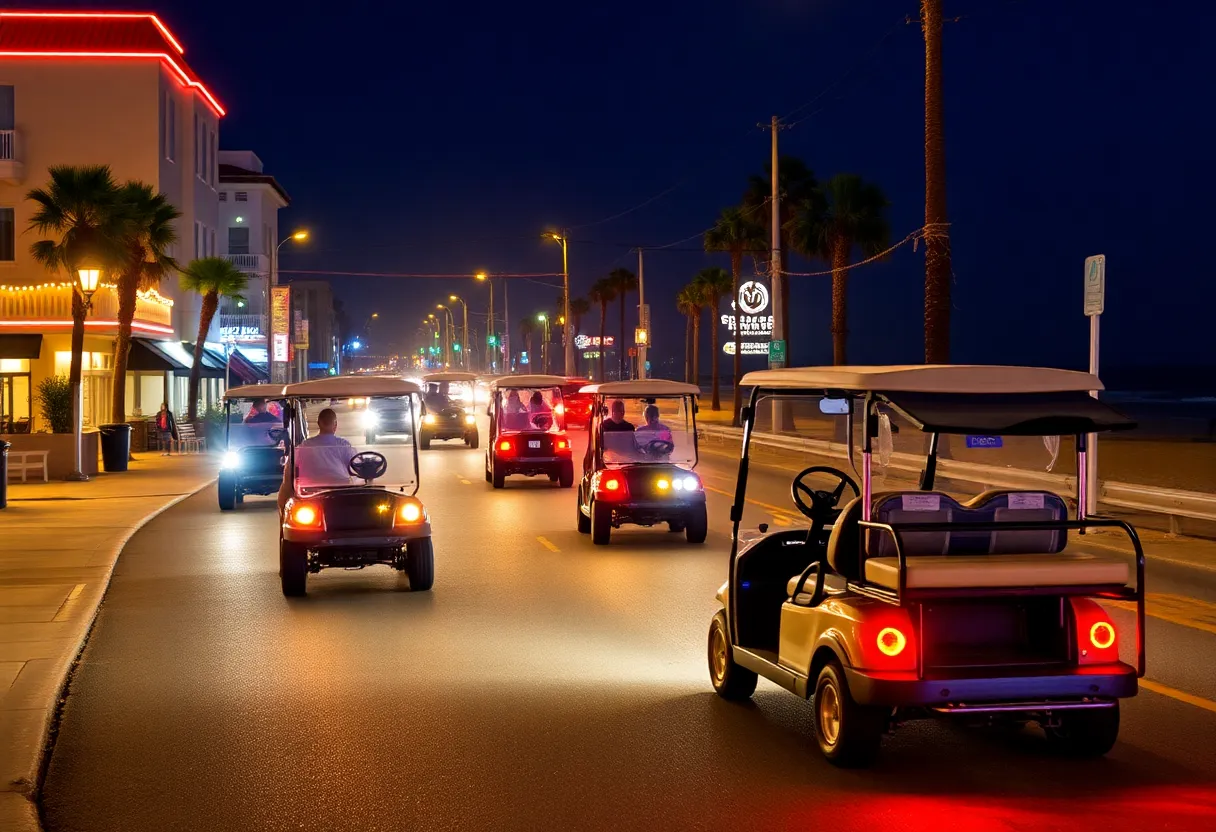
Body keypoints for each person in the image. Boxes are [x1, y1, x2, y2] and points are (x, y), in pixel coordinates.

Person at [278, 408, 354, 514]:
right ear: (335, 425)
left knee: (284, 489)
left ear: (318, 424)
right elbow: (355, 466)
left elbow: (289, 468)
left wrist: (287, 486)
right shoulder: (343, 445)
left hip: (310, 492)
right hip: (339, 491)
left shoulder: (304, 446)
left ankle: (282, 517)